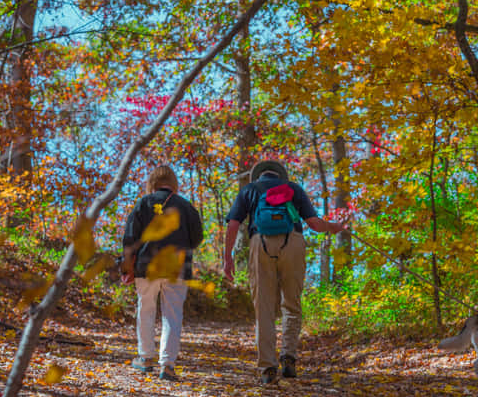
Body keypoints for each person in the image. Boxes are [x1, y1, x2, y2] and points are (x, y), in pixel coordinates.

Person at [223, 160, 346, 385]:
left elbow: (233, 225)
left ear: (258, 175)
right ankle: (288, 357)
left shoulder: (249, 190)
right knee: (291, 303)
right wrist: (333, 227)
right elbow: (314, 224)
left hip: (260, 243)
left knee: (264, 308)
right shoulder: (293, 189)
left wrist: (227, 257)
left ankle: (268, 368)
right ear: (280, 175)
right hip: (293, 242)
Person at [121, 165, 203, 381]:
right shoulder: (186, 206)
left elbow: (130, 237)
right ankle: (167, 365)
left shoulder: (143, 203)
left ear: (152, 183)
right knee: (172, 315)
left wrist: (126, 266)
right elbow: (197, 238)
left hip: (147, 266)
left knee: (145, 309)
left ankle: (145, 357)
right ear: (173, 183)